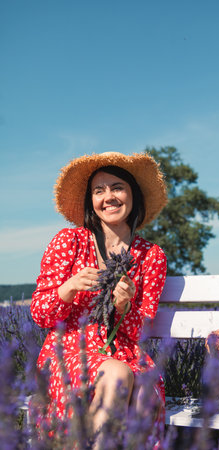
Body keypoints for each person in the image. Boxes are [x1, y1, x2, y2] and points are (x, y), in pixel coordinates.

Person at [31, 151, 168, 446]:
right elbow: (40, 315)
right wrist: (69, 288)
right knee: (117, 376)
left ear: (133, 196)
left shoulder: (151, 256)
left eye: (117, 187)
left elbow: (142, 332)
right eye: (99, 190)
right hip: (69, 353)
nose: (109, 197)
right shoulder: (70, 241)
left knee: (139, 388)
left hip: (128, 355)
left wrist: (124, 306)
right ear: (91, 201)